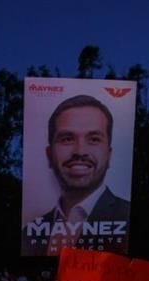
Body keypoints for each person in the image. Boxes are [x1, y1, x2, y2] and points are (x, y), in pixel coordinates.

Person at [22, 94, 131, 256]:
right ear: (49, 154)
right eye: (67, 139)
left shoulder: (128, 217)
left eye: (94, 139)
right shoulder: (29, 232)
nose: (80, 151)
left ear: (109, 154)